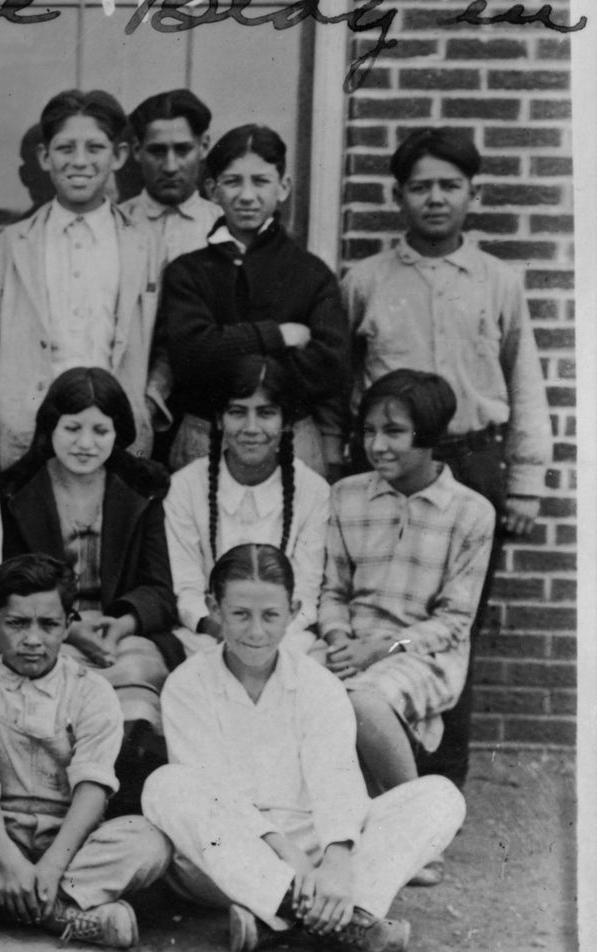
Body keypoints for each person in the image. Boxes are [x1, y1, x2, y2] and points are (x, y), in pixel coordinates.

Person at [142, 543, 466, 952]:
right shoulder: (187, 685)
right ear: (213, 607)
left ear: (294, 610)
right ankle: (344, 922)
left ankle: (283, 920)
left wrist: (335, 862)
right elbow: (215, 795)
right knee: (166, 785)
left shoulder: (317, 685)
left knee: (440, 796)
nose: (256, 631)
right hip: (229, 861)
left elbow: (337, 783)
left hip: (315, 854)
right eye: (240, 614)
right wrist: (289, 860)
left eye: (271, 615)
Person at [342, 127, 551, 785]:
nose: (435, 199)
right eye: (421, 186)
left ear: (473, 193)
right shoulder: (366, 280)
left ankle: (441, 782)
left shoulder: (498, 281)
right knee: (373, 619)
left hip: (472, 461)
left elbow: (525, 379)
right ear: (398, 195)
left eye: (450, 186)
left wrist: (524, 482)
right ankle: (369, 772)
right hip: (386, 466)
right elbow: (340, 380)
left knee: (450, 632)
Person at [0, 554, 172, 948]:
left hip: (66, 842)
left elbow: (93, 787)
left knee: (149, 840)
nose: (32, 639)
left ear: (67, 626)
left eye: (48, 624)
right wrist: (6, 859)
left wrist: (52, 867)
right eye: (17, 623)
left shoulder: (91, 690)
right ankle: (59, 914)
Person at [0, 368, 181, 785]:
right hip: (46, 631)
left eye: (100, 430)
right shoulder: (17, 491)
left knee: (137, 701)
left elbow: (160, 590)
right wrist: (71, 630)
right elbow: (9, 584)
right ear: (49, 427)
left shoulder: (142, 490)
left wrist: (123, 623)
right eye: (72, 428)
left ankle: (125, 801)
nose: (85, 443)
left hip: (120, 636)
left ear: (119, 433)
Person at [321, 371, 494, 801]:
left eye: (394, 432)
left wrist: (383, 649)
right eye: (369, 431)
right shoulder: (345, 495)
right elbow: (332, 590)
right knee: (295, 687)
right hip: (348, 645)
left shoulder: (471, 513)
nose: (377, 446)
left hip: (423, 655)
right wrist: (340, 639)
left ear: (429, 435)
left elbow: (454, 622)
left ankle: (419, 826)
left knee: (362, 702)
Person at [0, 89, 163, 471]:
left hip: (113, 428)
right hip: (29, 428)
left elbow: (161, 337)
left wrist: (144, 403)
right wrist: (0, 398)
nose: (79, 162)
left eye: (95, 148)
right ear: (45, 157)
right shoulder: (15, 243)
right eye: (65, 148)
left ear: (118, 156)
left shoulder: (144, 244)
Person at [157, 125, 351, 476]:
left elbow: (330, 365)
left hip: (291, 438)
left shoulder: (311, 274)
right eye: (233, 182)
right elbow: (189, 357)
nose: (247, 196)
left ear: (284, 187)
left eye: (260, 181)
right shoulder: (187, 273)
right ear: (212, 190)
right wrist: (275, 336)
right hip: (205, 438)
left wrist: (226, 350)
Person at [163, 355, 330, 656]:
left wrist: (264, 636)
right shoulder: (186, 486)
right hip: (206, 637)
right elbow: (185, 588)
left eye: (266, 413)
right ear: (218, 419)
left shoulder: (313, 491)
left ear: (286, 421)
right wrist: (222, 632)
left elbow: (306, 593)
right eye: (238, 413)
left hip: (285, 637)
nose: (251, 427)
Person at [119, 89, 223, 263]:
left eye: (183, 150)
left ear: (203, 146)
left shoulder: (224, 225)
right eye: (157, 151)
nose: (170, 167)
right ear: (137, 150)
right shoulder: (114, 223)